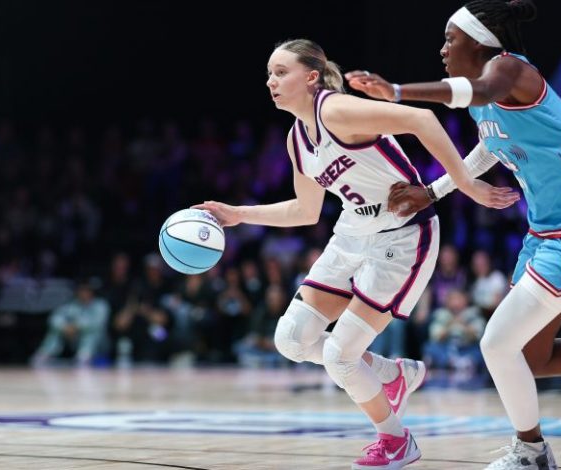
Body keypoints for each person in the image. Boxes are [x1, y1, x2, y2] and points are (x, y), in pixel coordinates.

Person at [345, 1, 561, 468]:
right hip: (547, 231)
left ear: (480, 41)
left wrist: (398, 92)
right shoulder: (484, 100)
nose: (442, 49)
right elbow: (488, 147)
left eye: (450, 39)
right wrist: (433, 191)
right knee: (531, 358)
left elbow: (482, 89)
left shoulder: (510, 69)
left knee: (496, 344)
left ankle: (532, 453)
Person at [196, 38, 519, 470]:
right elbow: (305, 211)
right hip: (352, 232)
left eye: (281, 72)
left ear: (311, 77)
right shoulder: (297, 138)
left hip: (402, 236)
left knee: (339, 356)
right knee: (291, 339)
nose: (271, 81)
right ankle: (391, 373)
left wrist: (464, 182)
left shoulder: (336, 110)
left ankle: (396, 440)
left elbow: (421, 119)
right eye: (269, 74)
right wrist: (238, 214)